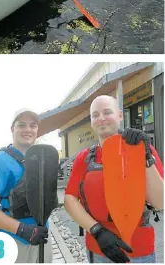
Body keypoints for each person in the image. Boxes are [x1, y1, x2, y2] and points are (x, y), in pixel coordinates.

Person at [64, 95, 164, 263]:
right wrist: (96, 230)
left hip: (139, 252)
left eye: (107, 112)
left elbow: (160, 202)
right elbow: (69, 199)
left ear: (119, 116)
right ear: (91, 121)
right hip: (98, 248)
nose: (101, 118)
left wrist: (145, 156)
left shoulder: (144, 150)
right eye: (95, 115)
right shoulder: (84, 158)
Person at [0, 110, 53, 263]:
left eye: (33, 126)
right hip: (14, 240)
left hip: (42, 235)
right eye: (22, 125)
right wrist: (24, 230)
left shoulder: (41, 159)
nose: (28, 129)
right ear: (12, 129)